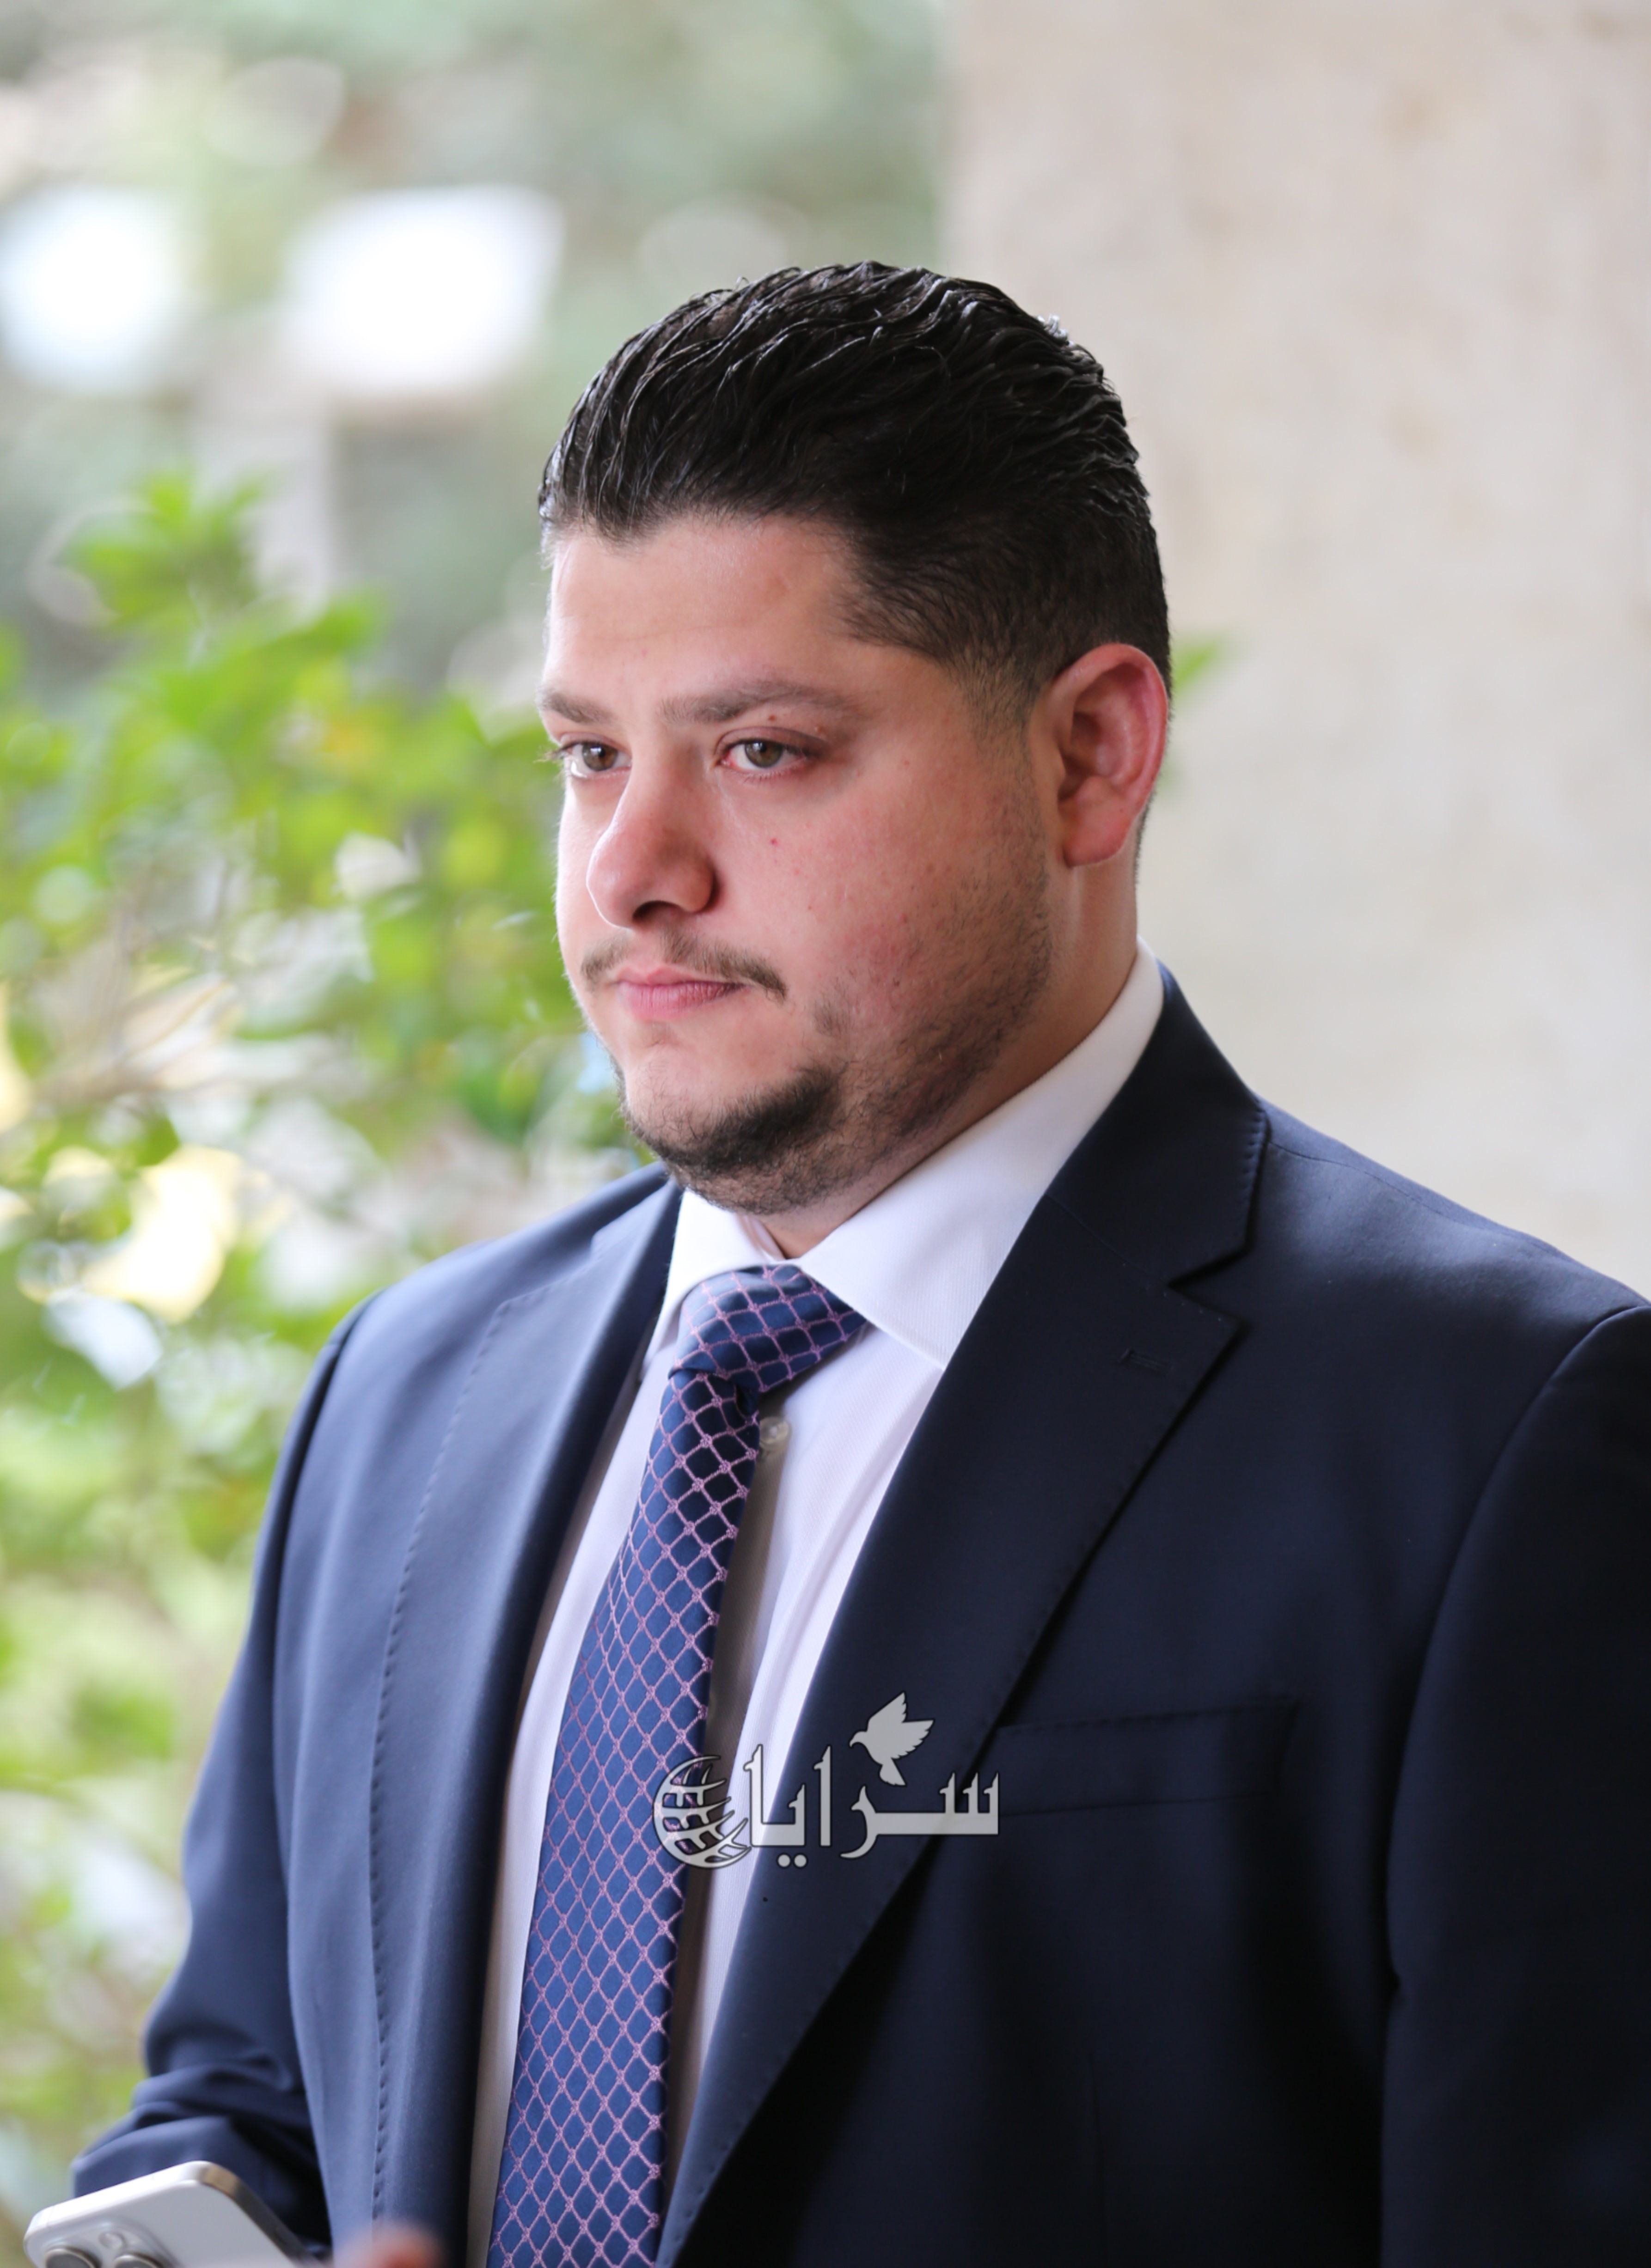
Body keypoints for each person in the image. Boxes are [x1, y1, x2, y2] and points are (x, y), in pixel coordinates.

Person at [76, 265, 1651, 2268]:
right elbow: (250, 2102)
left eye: (760, 751)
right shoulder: (405, 1392)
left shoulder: (1498, 1440)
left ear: (1088, 756)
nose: (630, 871)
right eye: (586, 754)